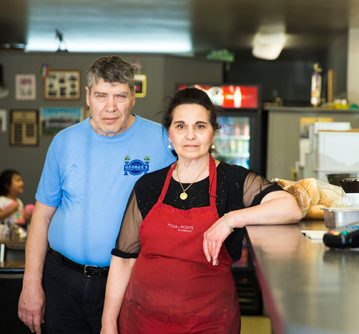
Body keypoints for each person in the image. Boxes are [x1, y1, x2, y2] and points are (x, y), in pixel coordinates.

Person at [100, 87, 302, 333]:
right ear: (169, 135)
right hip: (142, 320)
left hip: (209, 323)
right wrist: (108, 322)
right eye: (181, 126)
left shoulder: (233, 181)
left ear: (214, 134)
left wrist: (231, 219)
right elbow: (124, 259)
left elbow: (290, 207)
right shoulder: (149, 185)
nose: (190, 136)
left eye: (200, 126)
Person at [17, 55, 176, 334]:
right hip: (62, 280)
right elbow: (41, 217)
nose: (111, 107)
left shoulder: (163, 141)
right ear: (88, 96)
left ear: (133, 97)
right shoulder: (64, 142)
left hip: (129, 281)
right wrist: (31, 284)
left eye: (120, 96)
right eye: (101, 95)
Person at [0, 169, 31, 237]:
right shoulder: (2, 200)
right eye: (18, 180)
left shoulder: (19, 201)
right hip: (4, 235)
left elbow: (19, 217)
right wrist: (11, 208)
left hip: (17, 233)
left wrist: (26, 217)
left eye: (21, 180)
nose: (22, 183)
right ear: (7, 185)